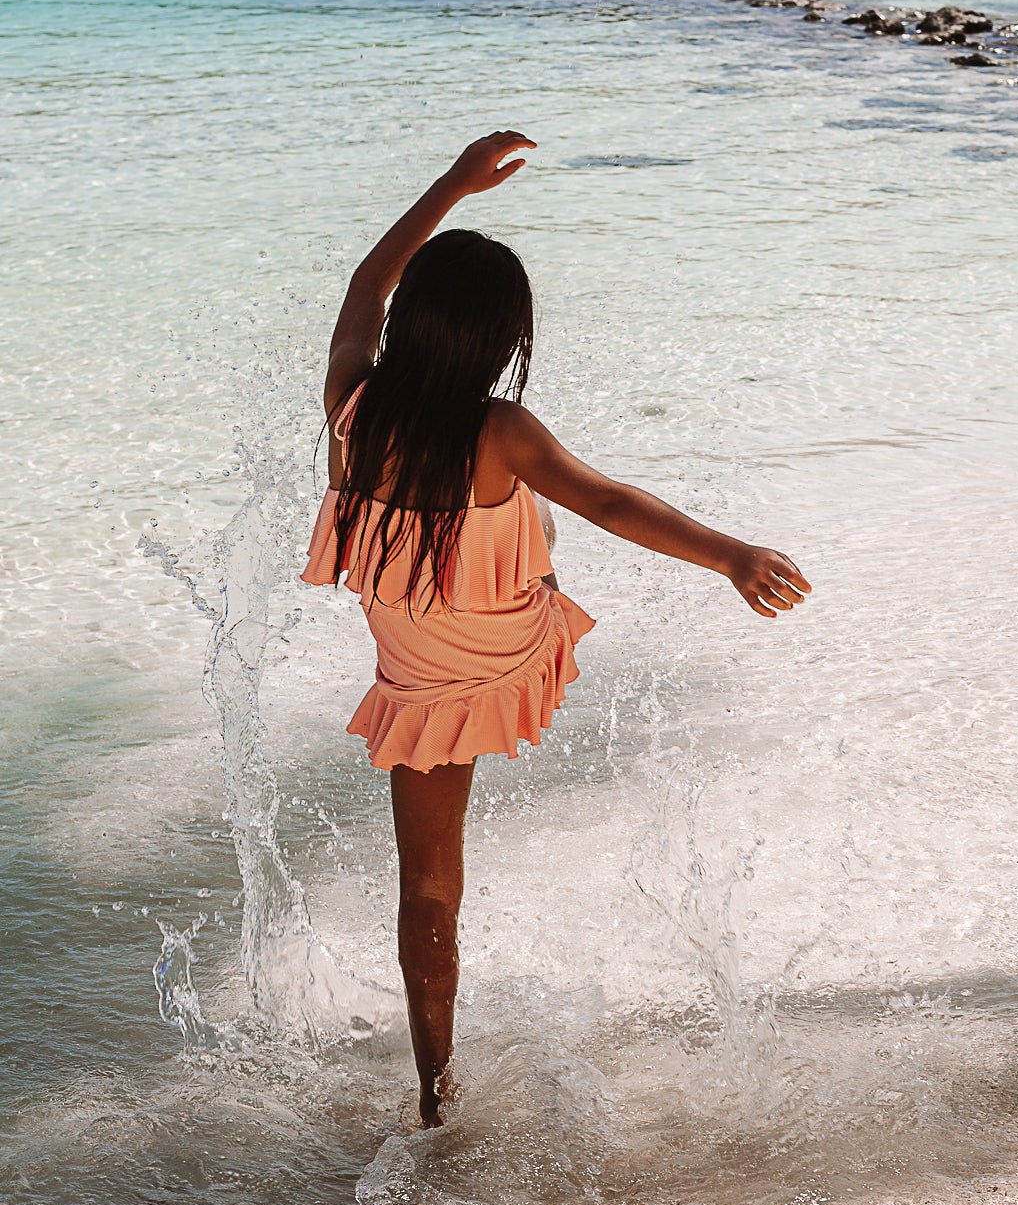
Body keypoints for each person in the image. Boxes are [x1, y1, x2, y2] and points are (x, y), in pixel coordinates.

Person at [303, 132, 811, 1125]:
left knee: (432, 890)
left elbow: (369, 277)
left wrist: (450, 183)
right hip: (509, 645)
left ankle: (435, 1089)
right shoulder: (501, 433)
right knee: (531, 530)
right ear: (499, 346)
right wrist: (731, 555)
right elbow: (613, 503)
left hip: (417, 680)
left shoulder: (348, 406)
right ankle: (438, 1089)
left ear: (410, 327)